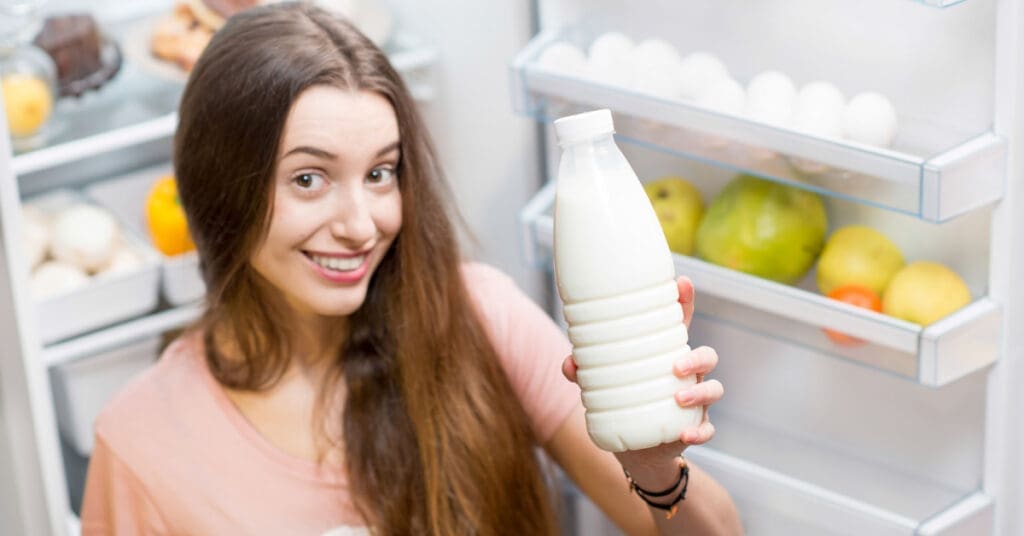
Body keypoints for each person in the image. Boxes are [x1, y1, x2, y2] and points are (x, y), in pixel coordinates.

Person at [80, 3, 741, 535]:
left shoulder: (480, 315)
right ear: (222, 185)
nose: (362, 223)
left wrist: (656, 471)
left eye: (380, 173)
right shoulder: (142, 443)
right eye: (309, 178)